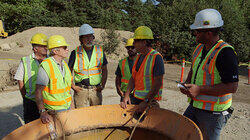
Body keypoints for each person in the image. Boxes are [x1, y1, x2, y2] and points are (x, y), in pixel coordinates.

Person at [179, 9, 239, 140]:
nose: (194, 33)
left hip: (213, 114)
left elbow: (232, 87)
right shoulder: (199, 48)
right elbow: (193, 69)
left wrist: (199, 89)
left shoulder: (225, 53)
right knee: (182, 134)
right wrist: (186, 83)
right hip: (195, 106)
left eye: (197, 31)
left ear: (209, 33)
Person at [120, 26, 165, 112]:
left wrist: (146, 101)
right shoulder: (138, 57)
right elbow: (133, 78)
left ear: (144, 42)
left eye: (136, 41)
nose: (133, 44)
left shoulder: (156, 58)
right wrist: (126, 96)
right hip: (137, 99)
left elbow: (157, 83)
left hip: (150, 102)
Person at [35, 35, 74, 124]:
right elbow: (38, 91)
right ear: (55, 51)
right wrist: (42, 112)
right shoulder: (46, 65)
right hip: (54, 111)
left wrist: (72, 105)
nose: (67, 49)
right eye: (64, 48)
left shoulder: (64, 64)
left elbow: (67, 88)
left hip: (67, 108)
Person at [68, 24, 108, 108]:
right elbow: (68, 71)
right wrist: (73, 86)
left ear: (93, 37)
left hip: (95, 90)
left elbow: (105, 69)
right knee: (80, 116)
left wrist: (102, 85)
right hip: (81, 90)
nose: (89, 39)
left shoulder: (99, 51)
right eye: (86, 37)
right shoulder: (75, 53)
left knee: (96, 115)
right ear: (81, 39)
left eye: (90, 36)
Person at [14, 33, 48, 124]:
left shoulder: (51, 60)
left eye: (46, 46)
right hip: (31, 102)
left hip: (47, 101)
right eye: (43, 46)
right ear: (35, 48)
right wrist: (25, 97)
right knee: (31, 127)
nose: (46, 48)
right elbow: (20, 80)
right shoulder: (26, 61)